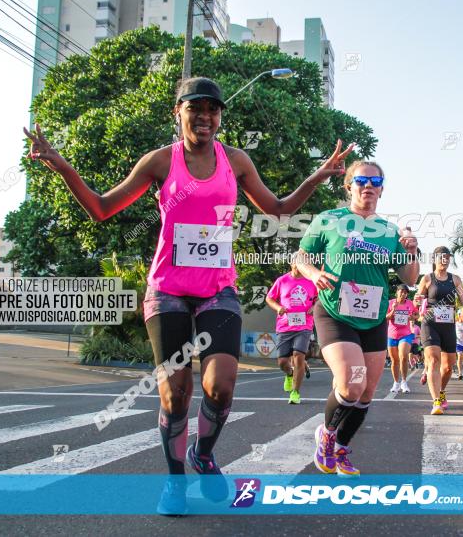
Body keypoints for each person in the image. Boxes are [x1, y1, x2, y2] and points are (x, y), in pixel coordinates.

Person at [24, 76, 354, 515]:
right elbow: (102, 208)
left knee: (220, 385)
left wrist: (318, 175)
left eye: (213, 110)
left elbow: (278, 208)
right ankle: (175, 482)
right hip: (168, 293)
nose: (205, 117)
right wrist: (61, 165)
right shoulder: (160, 162)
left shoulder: (235, 161)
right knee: (176, 393)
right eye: (195, 108)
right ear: (177, 112)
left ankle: (204, 453)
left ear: (220, 117)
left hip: (218, 290)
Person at [295, 161, 419, 476]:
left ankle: (340, 448)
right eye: (361, 180)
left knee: (366, 391)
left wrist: (413, 251)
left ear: (381, 188)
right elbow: (300, 255)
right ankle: (326, 434)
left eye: (375, 180)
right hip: (335, 311)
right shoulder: (329, 220)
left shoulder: (389, 231)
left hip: (374, 316)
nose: (368, 185)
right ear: (348, 186)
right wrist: (312, 272)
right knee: (351, 382)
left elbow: (410, 277)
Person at [415, 246, 463, 415]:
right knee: (433, 360)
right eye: (442, 257)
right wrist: (418, 300)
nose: (445, 259)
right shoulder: (427, 279)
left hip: (448, 325)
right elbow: (417, 301)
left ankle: (441, 392)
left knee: (448, 367)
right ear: (435, 259)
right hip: (430, 323)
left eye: (448, 257)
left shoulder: (454, 279)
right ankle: (436, 402)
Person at [266, 263, 319, 405]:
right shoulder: (282, 280)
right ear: (292, 263)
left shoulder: (311, 281)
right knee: (282, 362)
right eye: (299, 263)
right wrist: (278, 307)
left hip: (304, 325)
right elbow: (269, 298)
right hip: (285, 325)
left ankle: (295, 392)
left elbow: (321, 298)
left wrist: (314, 307)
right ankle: (289, 374)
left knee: (298, 356)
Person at [387, 284, 418, 394]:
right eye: (402, 292)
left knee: (404, 356)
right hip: (392, 335)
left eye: (405, 292)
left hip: (405, 334)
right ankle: (396, 383)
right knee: (395, 360)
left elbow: (416, 315)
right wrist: (393, 311)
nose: (403, 294)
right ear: (397, 292)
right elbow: (385, 317)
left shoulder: (410, 303)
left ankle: (404, 382)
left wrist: (412, 317)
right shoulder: (390, 303)